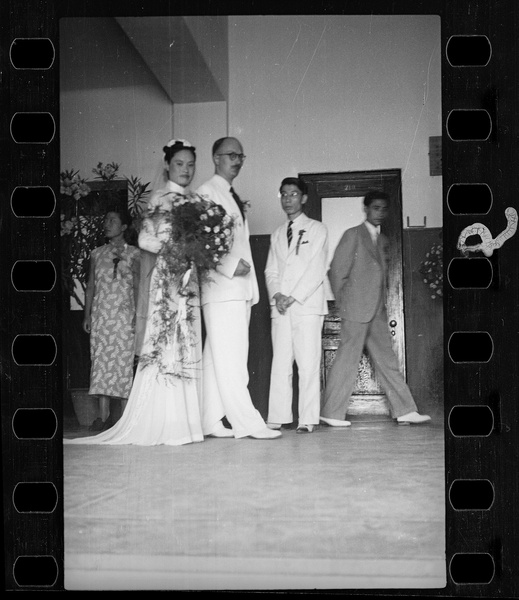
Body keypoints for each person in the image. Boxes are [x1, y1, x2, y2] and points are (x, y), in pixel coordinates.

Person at [65, 139, 205, 446]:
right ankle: (165, 421)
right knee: (166, 344)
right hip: (167, 277)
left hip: (187, 278)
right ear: (168, 165)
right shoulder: (159, 197)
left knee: (186, 340)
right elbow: (144, 239)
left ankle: (187, 422)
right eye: (180, 163)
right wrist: (173, 250)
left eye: (191, 164)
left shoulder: (194, 200)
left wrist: (194, 252)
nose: (186, 170)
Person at [320, 190, 431, 427]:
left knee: (388, 360)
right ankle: (331, 413)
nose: (380, 213)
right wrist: (345, 305)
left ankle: (405, 410)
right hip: (355, 310)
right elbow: (336, 271)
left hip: (377, 313)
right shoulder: (353, 235)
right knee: (346, 360)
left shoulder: (382, 241)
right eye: (375, 208)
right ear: (366, 209)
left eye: (384, 209)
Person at [196, 137, 281, 440]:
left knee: (216, 358)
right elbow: (201, 243)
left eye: (241, 155)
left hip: (239, 289)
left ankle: (208, 420)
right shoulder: (206, 192)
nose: (237, 160)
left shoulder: (231, 195)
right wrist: (230, 267)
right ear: (215, 157)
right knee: (232, 359)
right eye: (231, 155)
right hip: (222, 288)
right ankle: (247, 422)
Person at [264, 177, 329, 434]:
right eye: (283, 194)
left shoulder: (317, 229)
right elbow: (271, 270)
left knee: (308, 363)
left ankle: (308, 418)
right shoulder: (277, 234)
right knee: (280, 363)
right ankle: (278, 416)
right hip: (281, 308)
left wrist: (293, 296)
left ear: (303, 198)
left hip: (307, 306)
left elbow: (317, 269)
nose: (288, 199)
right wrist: (278, 295)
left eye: (293, 194)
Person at [83, 209, 140, 432]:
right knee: (101, 364)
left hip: (125, 318)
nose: (107, 224)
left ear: (124, 227)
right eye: (106, 220)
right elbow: (90, 287)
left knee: (123, 365)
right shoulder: (97, 253)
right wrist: (87, 315)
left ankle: (125, 420)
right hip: (101, 317)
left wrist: (138, 317)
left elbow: (137, 287)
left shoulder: (135, 254)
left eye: (112, 221)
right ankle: (103, 417)